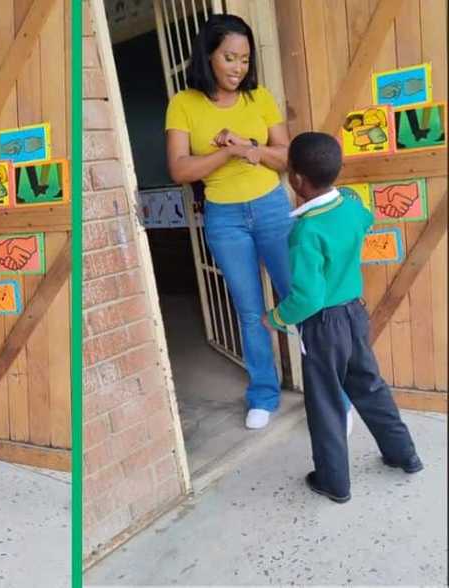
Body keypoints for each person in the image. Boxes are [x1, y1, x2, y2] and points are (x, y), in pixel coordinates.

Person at [164, 15, 351, 431]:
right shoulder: (184, 104)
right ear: (208, 55)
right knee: (250, 313)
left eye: (245, 60)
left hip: (270, 209)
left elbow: (287, 157)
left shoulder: (259, 98)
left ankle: (333, 396)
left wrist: (249, 146)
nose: (238, 68)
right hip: (224, 217)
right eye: (229, 57)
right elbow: (179, 169)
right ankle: (263, 394)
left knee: (301, 300)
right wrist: (228, 154)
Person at [264, 132, 422, 503]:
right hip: (354, 316)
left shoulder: (305, 231)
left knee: (325, 404)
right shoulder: (351, 206)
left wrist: (275, 317)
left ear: (296, 179)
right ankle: (405, 455)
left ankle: (334, 482)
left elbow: (308, 297)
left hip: (322, 326)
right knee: (370, 387)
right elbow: (364, 218)